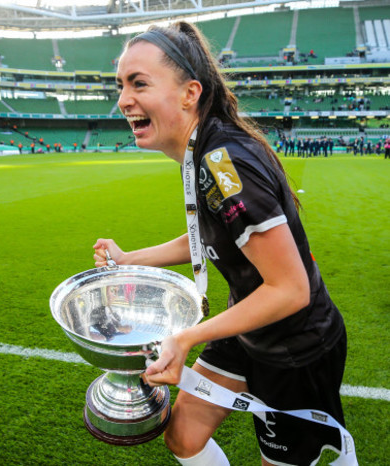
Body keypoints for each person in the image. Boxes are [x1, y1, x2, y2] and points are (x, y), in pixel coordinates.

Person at [92, 22, 350, 466]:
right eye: (121, 85)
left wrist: (186, 338)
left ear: (190, 93)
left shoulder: (222, 162)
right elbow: (207, 238)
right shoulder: (202, 151)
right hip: (245, 325)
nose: (123, 100)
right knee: (184, 437)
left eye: (139, 83)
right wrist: (129, 258)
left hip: (293, 347)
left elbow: (290, 289)